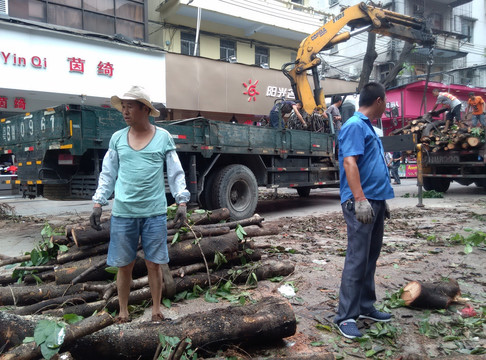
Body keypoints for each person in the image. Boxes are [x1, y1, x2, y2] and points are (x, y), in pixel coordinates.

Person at [89, 85, 190, 324]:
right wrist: (98, 203)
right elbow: (108, 174)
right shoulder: (117, 139)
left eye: (130, 106)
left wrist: (181, 201)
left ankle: (156, 311)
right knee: (125, 265)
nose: (124, 111)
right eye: (123, 107)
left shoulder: (163, 137)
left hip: (154, 212)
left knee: (154, 264)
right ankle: (123, 312)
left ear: (145, 109)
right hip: (123, 213)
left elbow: (175, 173)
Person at [334, 82, 394, 339]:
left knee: (370, 256)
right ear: (378, 101)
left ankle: (366, 306)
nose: (385, 106)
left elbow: (371, 166)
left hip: (375, 200)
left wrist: (380, 200)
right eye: (385, 102)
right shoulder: (355, 126)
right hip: (361, 202)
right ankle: (345, 316)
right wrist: (360, 199)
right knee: (357, 258)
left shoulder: (368, 127)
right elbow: (350, 162)